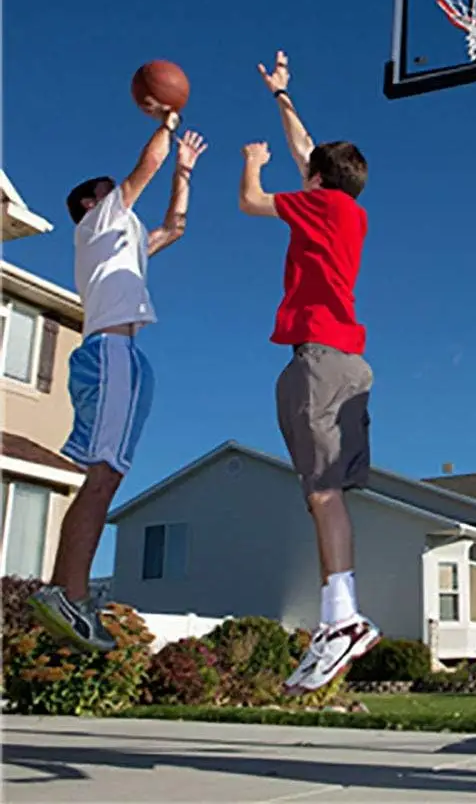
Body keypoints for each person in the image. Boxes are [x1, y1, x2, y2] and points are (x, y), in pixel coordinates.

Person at [30, 106, 207, 652]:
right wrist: (167, 122)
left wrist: (184, 173)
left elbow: (174, 228)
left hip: (121, 356)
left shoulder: (123, 236)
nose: (118, 192)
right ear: (91, 203)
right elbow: (142, 167)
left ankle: (68, 591)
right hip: (110, 353)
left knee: (107, 474)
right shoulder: (97, 222)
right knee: (104, 475)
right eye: (108, 189)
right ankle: (68, 591)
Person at [241, 51, 380, 694]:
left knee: (320, 492)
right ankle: (339, 614)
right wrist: (283, 97)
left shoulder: (314, 206)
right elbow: (309, 153)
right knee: (329, 492)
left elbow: (251, 203)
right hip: (349, 364)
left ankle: (343, 618)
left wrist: (252, 163)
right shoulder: (343, 210)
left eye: (309, 171)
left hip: (319, 361)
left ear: (319, 180)